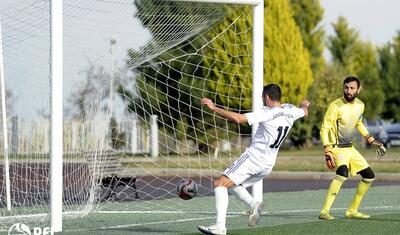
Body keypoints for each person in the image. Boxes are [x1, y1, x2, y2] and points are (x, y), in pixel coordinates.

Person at [197, 84, 310, 235]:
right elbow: (305, 112)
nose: (262, 100)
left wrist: (213, 107)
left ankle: (219, 227)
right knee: (233, 184)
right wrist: (303, 105)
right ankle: (254, 204)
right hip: (268, 164)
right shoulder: (291, 110)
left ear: (267, 98)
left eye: (263, 97)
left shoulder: (266, 112)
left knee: (219, 184)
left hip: (253, 158)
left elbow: (238, 119)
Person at [318, 76, 386, 220]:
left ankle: (352, 211)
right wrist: (327, 149)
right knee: (342, 173)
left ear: (358, 90)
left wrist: (371, 139)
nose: (348, 91)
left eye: (352, 88)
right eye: (346, 87)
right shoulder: (335, 106)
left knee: (369, 177)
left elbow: (359, 123)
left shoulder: (360, 105)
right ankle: (324, 211)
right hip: (336, 148)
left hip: (350, 148)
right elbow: (324, 128)